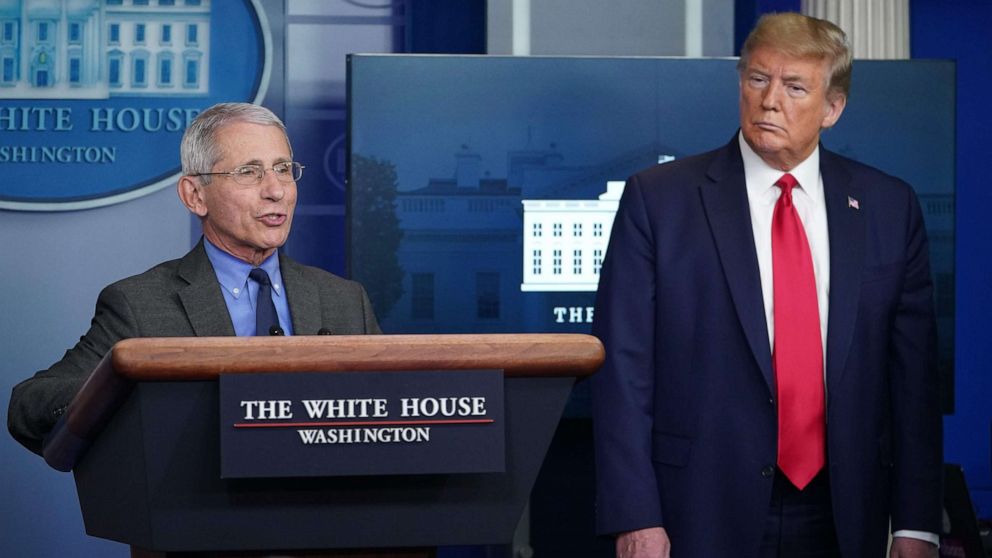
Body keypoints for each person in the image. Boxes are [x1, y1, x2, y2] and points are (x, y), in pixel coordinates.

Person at [591, 13, 941, 558]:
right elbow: (624, 370)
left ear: (832, 108)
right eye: (758, 79)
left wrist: (917, 523)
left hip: (846, 510)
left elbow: (914, 382)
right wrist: (635, 514)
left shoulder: (888, 208)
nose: (769, 100)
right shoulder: (659, 201)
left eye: (794, 86)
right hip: (697, 508)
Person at [8, 102, 380, 455]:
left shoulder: (344, 301)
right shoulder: (139, 306)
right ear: (195, 195)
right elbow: (30, 404)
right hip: (201, 512)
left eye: (283, 169)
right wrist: (120, 394)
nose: (276, 190)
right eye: (249, 172)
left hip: (321, 513)